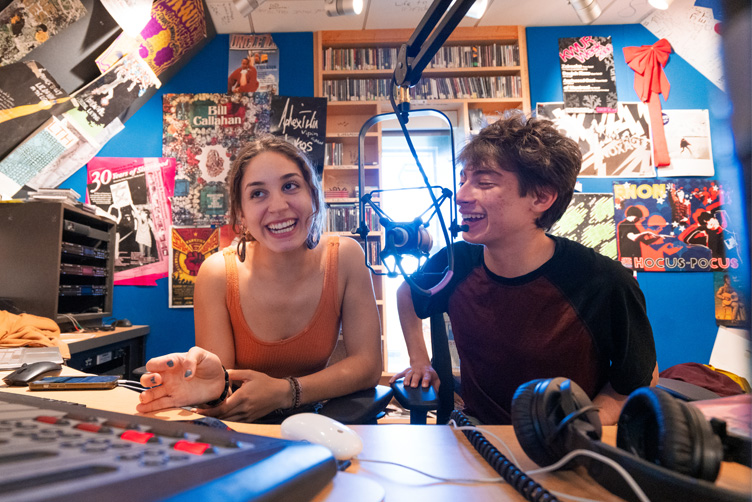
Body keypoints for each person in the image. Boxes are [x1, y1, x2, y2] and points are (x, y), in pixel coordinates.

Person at [390, 113, 658, 426]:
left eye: (484, 183)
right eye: (463, 180)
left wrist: (579, 427)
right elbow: (407, 293)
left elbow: (637, 380)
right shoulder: (456, 262)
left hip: (564, 452)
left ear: (541, 197)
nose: (461, 196)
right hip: (479, 442)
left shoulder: (603, 281)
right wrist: (419, 361)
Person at [136, 136, 382, 422]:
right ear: (240, 213)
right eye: (258, 194)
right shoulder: (216, 273)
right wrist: (211, 389)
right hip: (246, 428)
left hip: (316, 425)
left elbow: (367, 365)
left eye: (290, 186)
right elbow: (222, 389)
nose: (278, 206)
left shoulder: (346, 257)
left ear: (312, 195)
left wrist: (287, 391)